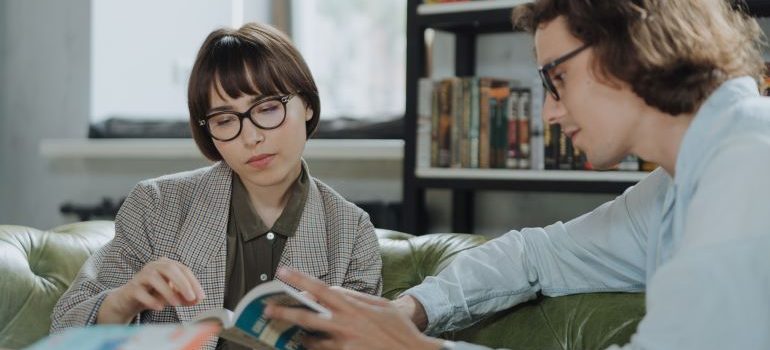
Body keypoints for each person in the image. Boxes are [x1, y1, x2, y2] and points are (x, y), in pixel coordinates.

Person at [264, 1, 770, 349]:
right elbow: (536, 254)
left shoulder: (748, 169)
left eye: (557, 78)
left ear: (632, 44)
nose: (549, 112)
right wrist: (409, 310)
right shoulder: (675, 186)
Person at [50, 23, 383, 350]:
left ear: (307, 104)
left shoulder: (351, 232)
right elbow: (62, 329)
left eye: (268, 109)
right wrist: (121, 303)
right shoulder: (155, 205)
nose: (252, 137)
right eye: (225, 120)